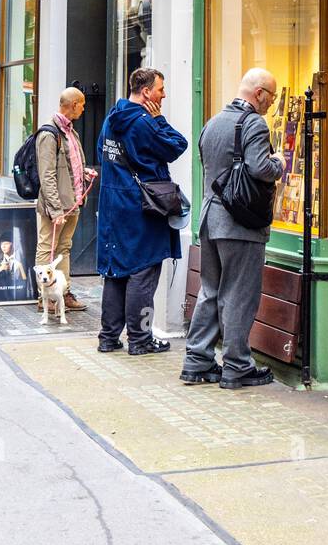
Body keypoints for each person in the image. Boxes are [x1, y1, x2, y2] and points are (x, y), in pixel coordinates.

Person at [181, 68, 285, 389]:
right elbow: (260, 168)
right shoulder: (254, 123)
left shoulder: (212, 123)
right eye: (272, 97)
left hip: (210, 219)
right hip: (240, 223)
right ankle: (237, 365)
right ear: (259, 94)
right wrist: (279, 162)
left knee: (210, 291)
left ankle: (197, 361)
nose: (272, 104)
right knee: (240, 294)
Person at [96, 67, 188, 356]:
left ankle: (109, 337)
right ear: (146, 92)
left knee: (116, 271)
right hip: (142, 207)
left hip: (113, 204)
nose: (164, 94)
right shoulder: (145, 122)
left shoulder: (112, 117)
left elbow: (101, 151)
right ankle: (140, 338)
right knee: (143, 270)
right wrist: (160, 120)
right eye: (161, 89)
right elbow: (177, 145)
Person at [35, 88, 95, 315]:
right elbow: (47, 174)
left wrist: (84, 173)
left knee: (64, 248)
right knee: (46, 248)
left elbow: (68, 167)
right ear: (72, 104)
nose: (84, 108)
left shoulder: (71, 132)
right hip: (57, 206)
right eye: (82, 104)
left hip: (73, 202)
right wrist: (54, 209)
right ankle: (44, 297)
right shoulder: (49, 134)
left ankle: (63, 292)